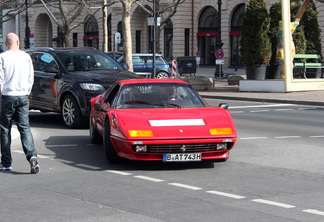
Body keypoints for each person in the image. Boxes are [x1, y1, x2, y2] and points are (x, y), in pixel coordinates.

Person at [0, 33, 39, 174]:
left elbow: (0, 79)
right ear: (18, 42)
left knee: (5, 129)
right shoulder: (26, 57)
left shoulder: (2, 57)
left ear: (6, 43)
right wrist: (26, 91)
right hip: (23, 96)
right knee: (25, 127)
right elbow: (31, 77)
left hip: (7, 96)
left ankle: (6, 162)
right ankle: (32, 156)